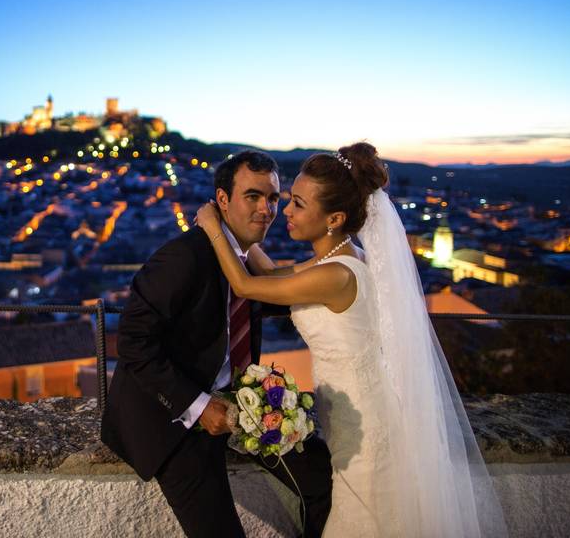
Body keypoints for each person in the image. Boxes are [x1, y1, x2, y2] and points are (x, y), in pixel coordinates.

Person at [194, 142, 508, 537]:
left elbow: (245, 285)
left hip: (363, 423)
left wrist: (213, 226)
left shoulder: (336, 275)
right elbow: (274, 274)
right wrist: (242, 229)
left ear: (335, 217)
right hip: (351, 415)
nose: (284, 211)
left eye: (298, 204)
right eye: (289, 200)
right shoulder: (343, 257)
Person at [101, 150, 333, 538]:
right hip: (174, 420)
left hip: (243, 405)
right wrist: (199, 404)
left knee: (324, 481)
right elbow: (134, 342)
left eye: (274, 198)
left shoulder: (246, 259)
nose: (267, 209)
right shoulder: (183, 257)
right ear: (222, 200)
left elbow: (274, 281)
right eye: (253, 196)